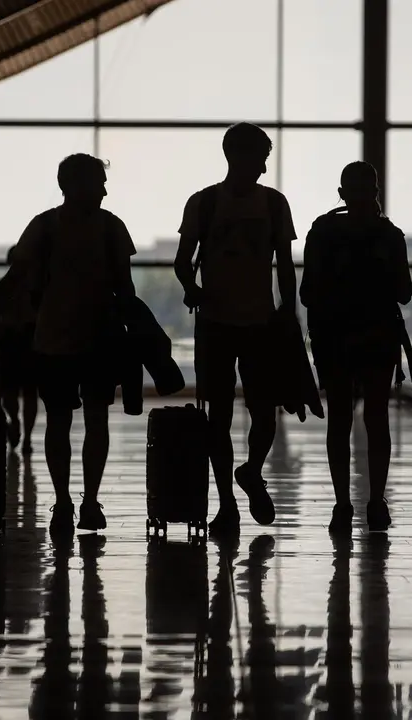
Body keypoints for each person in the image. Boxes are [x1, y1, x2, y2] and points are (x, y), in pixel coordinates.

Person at [0, 153, 136, 535]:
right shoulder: (111, 229)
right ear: (77, 186)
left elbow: (17, 274)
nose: (104, 190)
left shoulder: (44, 227)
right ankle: (88, 500)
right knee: (95, 420)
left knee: (59, 421)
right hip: (98, 340)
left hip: (53, 339)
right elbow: (126, 289)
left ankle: (65, 502)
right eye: (98, 183)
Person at [174, 122, 299, 536]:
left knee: (247, 415)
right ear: (240, 157)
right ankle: (232, 494)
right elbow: (282, 266)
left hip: (240, 322)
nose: (264, 167)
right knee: (238, 414)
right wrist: (287, 311)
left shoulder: (264, 204)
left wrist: (194, 287)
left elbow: (183, 262)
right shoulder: (211, 204)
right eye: (261, 157)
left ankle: (241, 483)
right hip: (236, 322)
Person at [300, 161, 412, 534]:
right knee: (376, 419)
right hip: (378, 337)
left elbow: (307, 292)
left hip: (335, 339)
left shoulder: (324, 232)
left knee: (340, 420)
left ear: (341, 194)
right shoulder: (389, 235)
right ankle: (375, 501)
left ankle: (342, 504)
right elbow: (405, 292)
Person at [0, 246, 39, 454]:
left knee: (26, 394)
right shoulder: (3, 287)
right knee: (12, 394)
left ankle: (25, 435)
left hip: (25, 346)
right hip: (15, 345)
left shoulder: (34, 288)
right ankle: (18, 425)